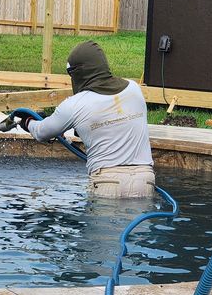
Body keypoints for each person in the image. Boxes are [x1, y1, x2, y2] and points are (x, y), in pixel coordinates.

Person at [16, 41, 155, 198]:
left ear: (78, 74)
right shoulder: (134, 88)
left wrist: (28, 122)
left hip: (107, 183)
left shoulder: (74, 104)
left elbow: (41, 132)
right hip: (146, 180)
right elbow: (114, 119)